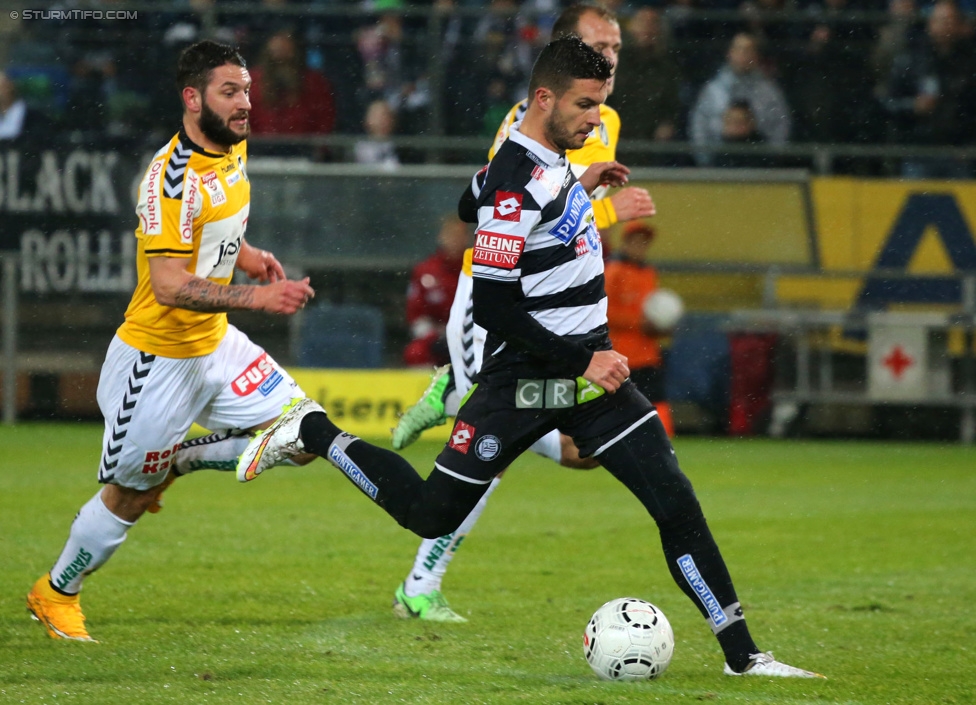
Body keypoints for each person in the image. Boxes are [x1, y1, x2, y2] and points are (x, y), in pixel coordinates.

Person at [235, 35, 823, 679]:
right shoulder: (517, 182)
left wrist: (580, 190)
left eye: (601, 104)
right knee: (432, 513)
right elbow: (492, 304)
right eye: (585, 105)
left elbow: (469, 201)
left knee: (674, 501)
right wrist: (581, 360)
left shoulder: (540, 160)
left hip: (592, 377)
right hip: (526, 376)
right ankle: (315, 431)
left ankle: (745, 656)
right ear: (544, 99)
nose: (596, 119)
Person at [25, 40, 322, 643]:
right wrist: (257, 299)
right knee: (129, 495)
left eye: (246, 91)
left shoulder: (233, 150)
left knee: (305, 432)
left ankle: (183, 458)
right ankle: (56, 591)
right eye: (229, 92)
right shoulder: (171, 179)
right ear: (193, 99)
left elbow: (214, 235)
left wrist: (247, 256)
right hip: (155, 362)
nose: (244, 105)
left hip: (215, 345)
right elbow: (167, 284)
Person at [389, 2, 656, 622]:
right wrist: (612, 208)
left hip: (548, 311)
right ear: (565, 51)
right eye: (599, 43)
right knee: (494, 449)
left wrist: (591, 197)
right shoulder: (527, 118)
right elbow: (500, 205)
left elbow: (562, 212)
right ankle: (421, 581)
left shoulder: (602, 118)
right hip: (499, 305)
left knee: (576, 453)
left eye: (617, 46)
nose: (612, 55)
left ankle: (451, 397)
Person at [603, 221, 675, 437]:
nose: (640, 246)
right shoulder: (613, 271)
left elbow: (655, 310)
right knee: (619, 404)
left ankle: (662, 439)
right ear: (625, 243)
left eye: (644, 242)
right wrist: (641, 323)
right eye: (636, 241)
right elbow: (604, 312)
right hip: (620, 353)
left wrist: (662, 327)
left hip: (647, 354)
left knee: (656, 400)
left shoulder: (648, 272)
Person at [689, 32, 791, 160]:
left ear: (756, 56)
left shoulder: (770, 92)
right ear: (729, 53)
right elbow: (699, 125)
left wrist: (772, 159)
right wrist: (705, 159)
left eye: (748, 50)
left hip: (759, 163)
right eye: (739, 49)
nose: (743, 54)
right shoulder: (713, 90)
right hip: (718, 161)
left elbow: (781, 127)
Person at [403, 215, 472, 368]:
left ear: (467, 238)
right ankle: (427, 392)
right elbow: (415, 315)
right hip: (437, 337)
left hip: (471, 335)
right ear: (441, 236)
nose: (455, 239)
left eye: (459, 235)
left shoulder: (477, 270)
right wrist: (435, 337)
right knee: (415, 353)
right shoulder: (425, 271)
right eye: (450, 234)